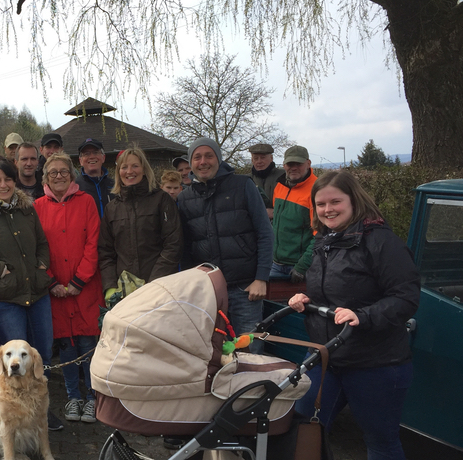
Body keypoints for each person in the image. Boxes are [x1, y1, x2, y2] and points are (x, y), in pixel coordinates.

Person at [288, 170, 419, 460]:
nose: (327, 209)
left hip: (376, 363)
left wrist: (364, 315)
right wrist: (307, 300)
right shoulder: (325, 241)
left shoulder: (382, 242)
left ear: (353, 200)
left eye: (335, 201)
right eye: (320, 204)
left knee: (381, 441)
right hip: (328, 359)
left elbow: (405, 297)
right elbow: (334, 294)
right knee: (304, 428)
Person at [0, 157, 63, 431]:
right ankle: (15, 416)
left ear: (14, 180)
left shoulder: (27, 210)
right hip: (3, 299)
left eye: (8, 179)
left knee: (41, 354)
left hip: (36, 292)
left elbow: (42, 243)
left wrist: (41, 264)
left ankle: (41, 411)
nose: (3, 184)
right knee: (14, 362)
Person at [176, 137, 272, 353]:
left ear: (218, 159)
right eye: (197, 157)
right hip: (207, 291)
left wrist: (261, 278)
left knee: (250, 351)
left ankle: (253, 387)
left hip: (245, 288)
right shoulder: (185, 198)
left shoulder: (243, 185)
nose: (203, 162)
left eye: (209, 155)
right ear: (191, 163)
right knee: (214, 351)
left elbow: (265, 233)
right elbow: (185, 247)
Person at [34, 153, 102, 424]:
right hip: (55, 290)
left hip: (84, 287)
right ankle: (74, 396)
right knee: (66, 346)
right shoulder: (37, 206)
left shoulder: (86, 202)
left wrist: (77, 281)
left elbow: (93, 243)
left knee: (88, 343)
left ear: (72, 175)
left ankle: (93, 397)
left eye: (64, 171)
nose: (59, 176)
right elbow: (36, 248)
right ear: (46, 178)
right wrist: (52, 282)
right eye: (53, 172)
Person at [98, 147, 182, 298]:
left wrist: (155, 283)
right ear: (118, 172)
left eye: (135, 166)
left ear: (144, 169)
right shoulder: (112, 208)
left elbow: (173, 244)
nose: (129, 171)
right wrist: (110, 287)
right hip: (125, 293)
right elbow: (106, 253)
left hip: (161, 289)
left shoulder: (161, 200)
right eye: (124, 167)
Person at [271, 145, 318, 282]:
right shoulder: (280, 186)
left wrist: (303, 266)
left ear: (308, 163)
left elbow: (320, 235)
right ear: (284, 165)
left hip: (300, 267)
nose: (294, 167)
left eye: (299, 164)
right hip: (275, 263)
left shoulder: (317, 190)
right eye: (290, 164)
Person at [74, 138, 114, 217]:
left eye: (95, 152)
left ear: (103, 158)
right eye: (86, 154)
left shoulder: (115, 186)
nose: (92, 157)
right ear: (80, 161)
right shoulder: (74, 187)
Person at [248, 143, 284, 219]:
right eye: (256, 158)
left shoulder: (283, 177)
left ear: (271, 158)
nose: (259, 161)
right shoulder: (247, 180)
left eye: (263, 158)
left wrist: (275, 213)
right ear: (252, 160)